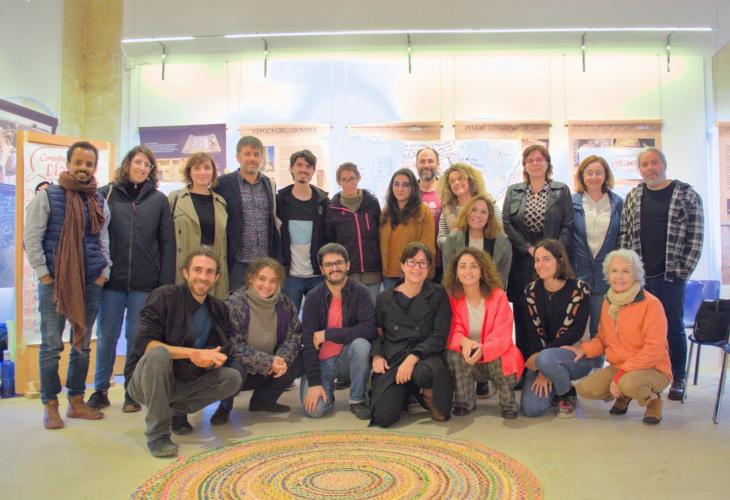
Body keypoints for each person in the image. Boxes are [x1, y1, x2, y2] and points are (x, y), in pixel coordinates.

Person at [23, 141, 112, 429]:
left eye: (89, 164)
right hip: (55, 282)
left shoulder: (99, 201)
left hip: (91, 281)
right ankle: (50, 404)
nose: (84, 168)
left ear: (94, 167)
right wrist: (44, 275)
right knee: (51, 345)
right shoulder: (48, 197)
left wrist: (103, 273)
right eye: (79, 162)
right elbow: (32, 239)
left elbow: (103, 240)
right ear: (69, 163)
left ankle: (76, 400)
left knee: (82, 345)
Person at [125, 249, 242, 457]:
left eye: (209, 272)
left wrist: (211, 361)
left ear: (216, 277)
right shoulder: (164, 296)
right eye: (198, 270)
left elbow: (222, 348)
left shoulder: (218, 309)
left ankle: (175, 411)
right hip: (147, 379)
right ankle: (158, 434)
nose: (203, 277)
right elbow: (144, 344)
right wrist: (192, 354)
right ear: (185, 272)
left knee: (232, 378)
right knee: (159, 354)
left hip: (186, 382)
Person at [88, 146, 175, 413]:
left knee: (136, 338)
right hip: (111, 281)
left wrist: (164, 283)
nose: (142, 168)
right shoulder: (106, 194)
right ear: (127, 164)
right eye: (138, 162)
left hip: (144, 283)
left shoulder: (159, 200)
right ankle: (100, 390)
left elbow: (167, 243)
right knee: (107, 336)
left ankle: (132, 391)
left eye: (147, 165)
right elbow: (93, 236)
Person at [619, 148, 704, 400]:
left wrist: (682, 272)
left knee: (673, 328)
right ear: (640, 169)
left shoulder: (687, 194)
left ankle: (678, 378)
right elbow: (624, 234)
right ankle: (639, 377)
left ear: (664, 164)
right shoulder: (634, 196)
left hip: (670, 277)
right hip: (640, 279)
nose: (650, 168)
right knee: (637, 331)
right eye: (644, 164)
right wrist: (626, 272)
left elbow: (696, 236)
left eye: (654, 163)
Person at [565, 249, 671, 425]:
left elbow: (654, 350)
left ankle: (653, 400)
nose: (619, 276)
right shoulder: (609, 301)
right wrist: (583, 350)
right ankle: (624, 394)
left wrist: (620, 375)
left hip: (653, 368)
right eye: (614, 271)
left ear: (636, 275)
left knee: (627, 383)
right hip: (621, 366)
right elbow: (603, 339)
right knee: (585, 389)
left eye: (626, 271)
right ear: (608, 274)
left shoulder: (652, 304)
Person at [209, 257, 303, 425]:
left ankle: (262, 401)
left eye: (273, 281)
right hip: (242, 369)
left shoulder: (285, 304)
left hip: (270, 367)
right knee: (232, 367)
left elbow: (294, 334)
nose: (267, 285)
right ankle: (224, 407)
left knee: (302, 357)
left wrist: (281, 359)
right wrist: (268, 362)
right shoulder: (234, 303)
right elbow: (233, 346)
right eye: (262, 279)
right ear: (251, 278)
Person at [503, 145, 574, 366]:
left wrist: (552, 254)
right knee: (524, 316)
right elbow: (507, 223)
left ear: (547, 163)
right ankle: (525, 367)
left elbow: (567, 224)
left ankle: (549, 365)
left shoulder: (560, 190)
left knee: (550, 314)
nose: (535, 163)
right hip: (522, 262)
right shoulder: (514, 191)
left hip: (552, 264)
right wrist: (528, 248)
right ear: (524, 165)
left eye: (539, 159)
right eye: (530, 160)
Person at [370, 242, 453, 427]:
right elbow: (377, 332)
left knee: (424, 374)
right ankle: (407, 393)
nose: (417, 268)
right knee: (384, 418)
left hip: (426, 356)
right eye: (412, 262)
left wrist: (413, 357)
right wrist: (377, 355)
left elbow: (439, 336)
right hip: (394, 357)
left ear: (429, 268)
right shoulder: (384, 298)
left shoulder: (438, 294)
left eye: (423, 263)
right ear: (402, 265)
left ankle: (427, 392)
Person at [443, 247, 523, 418]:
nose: (468, 271)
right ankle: (464, 401)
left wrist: (484, 349)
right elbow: (452, 329)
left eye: (474, 266)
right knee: (452, 354)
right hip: (468, 357)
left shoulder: (498, 296)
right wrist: (464, 342)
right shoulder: (452, 299)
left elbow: (502, 334)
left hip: (495, 357)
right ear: (456, 273)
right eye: (463, 266)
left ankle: (508, 403)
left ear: (482, 271)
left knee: (503, 355)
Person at [300, 243, 376, 420]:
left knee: (361, 345)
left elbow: (369, 329)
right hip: (322, 361)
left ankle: (357, 399)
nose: (334, 268)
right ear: (322, 269)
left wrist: (328, 334)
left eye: (339, 263)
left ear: (348, 265)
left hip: (346, 359)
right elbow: (308, 343)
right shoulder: (313, 297)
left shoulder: (361, 292)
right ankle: (327, 390)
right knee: (315, 411)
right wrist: (314, 383)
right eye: (329, 264)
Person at [520, 239, 592, 418]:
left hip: (575, 356)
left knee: (546, 359)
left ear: (560, 260)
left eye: (546, 259)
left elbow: (575, 332)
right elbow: (531, 333)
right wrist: (542, 367)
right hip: (542, 357)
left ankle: (567, 393)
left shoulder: (579, 290)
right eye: (537, 260)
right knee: (531, 409)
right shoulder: (530, 291)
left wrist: (543, 362)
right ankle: (557, 384)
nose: (540, 264)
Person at [571, 155, 623, 368]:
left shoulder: (617, 203)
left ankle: (597, 368)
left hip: (605, 276)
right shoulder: (572, 202)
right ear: (582, 176)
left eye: (598, 172)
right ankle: (576, 368)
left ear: (606, 175)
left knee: (601, 327)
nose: (594, 177)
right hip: (577, 274)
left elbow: (621, 239)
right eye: (589, 173)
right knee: (575, 325)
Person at [215, 136, 280, 292]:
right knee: (235, 305)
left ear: (261, 158)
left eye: (256, 154)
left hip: (264, 263)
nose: (252, 158)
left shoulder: (269, 183)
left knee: (263, 304)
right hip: (237, 264)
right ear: (238, 157)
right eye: (247, 154)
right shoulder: (222, 184)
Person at [169, 152, 229, 299]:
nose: (202, 172)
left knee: (212, 309)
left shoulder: (221, 202)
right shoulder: (175, 198)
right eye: (197, 168)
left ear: (213, 172)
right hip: (185, 267)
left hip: (213, 269)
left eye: (207, 168)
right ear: (189, 172)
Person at [277, 149, 329, 312]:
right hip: (291, 276)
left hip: (317, 275)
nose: (303, 169)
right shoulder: (280, 201)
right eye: (299, 165)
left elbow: (330, 237)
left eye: (308, 166)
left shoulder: (323, 202)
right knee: (288, 320)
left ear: (313, 171)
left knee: (318, 319)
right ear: (291, 168)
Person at [325, 162, 382, 302]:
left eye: (352, 178)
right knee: (350, 312)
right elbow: (331, 243)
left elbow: (380, 235)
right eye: (344, 179)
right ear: (338, 182)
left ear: (358, 178)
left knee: (371, 310)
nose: (348, 183)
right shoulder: (332, 209)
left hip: (372, 272)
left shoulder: (372, 203)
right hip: (347, 273)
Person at [379, 168, 435, 290]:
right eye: (396, 184)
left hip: (413, 275)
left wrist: (424, 273)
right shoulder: (386, 212)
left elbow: (428, 247)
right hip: (389, 276)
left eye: (405, 185)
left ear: (413, 188)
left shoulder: (423, 212)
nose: (400, 189)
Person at [442, 194, 512, 286]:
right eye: (474, 210)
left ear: (489, 217)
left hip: (490, 292)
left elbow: (501, 280)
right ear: (467, 212)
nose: (478, 215)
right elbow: (449, 277)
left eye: (483, 212)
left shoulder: (503, 243)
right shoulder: (452, 239)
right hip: (459, 291)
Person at [416, 147, 443, 282]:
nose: (426, 165)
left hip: (443, 263)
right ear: (416, 165)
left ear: (438, 164)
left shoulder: (448, 191)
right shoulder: (409, 193)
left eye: (430, 161)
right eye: (422, 161)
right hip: (415, 265)